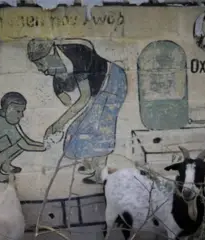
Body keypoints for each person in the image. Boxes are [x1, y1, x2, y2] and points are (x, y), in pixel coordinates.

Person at [26, 38, 128, 183]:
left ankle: (99, 174)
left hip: (113, 82)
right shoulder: (59, 62)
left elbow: (84, 98)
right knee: (80, 128)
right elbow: (67, 95)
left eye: (41, 64)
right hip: (97, 90)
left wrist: (58, 124)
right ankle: (91, 165)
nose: (41, 69)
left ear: (51, 54)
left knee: (100, 128)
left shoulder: (75, 55)